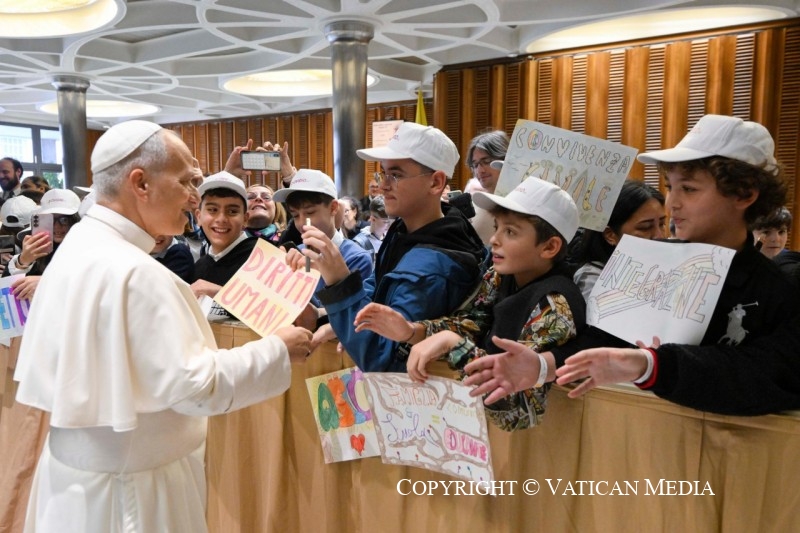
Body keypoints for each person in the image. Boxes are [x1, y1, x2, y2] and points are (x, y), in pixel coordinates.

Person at [13, 120, 312, 532]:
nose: (194, 198)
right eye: (188, 181)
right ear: (141, 183)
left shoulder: (81, 246)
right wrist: (277, 348)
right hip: (132, 492)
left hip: (77, 481)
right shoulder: (134, 270)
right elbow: (194, 387)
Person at [462, 114, 800, 404]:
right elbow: (602, 338)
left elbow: (771, 372)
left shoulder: (780, 288)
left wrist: (651, 365)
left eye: (690, 189)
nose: (673, 205)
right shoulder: (647, 263)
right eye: (671, 187)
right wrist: (543, 366)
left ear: (744, 194)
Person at [354, 177, 585, 431]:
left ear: (550, 246)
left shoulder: (555, 304)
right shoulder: (501, 274)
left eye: (510, 232)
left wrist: (454, 344)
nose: (494, 239)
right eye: (497, 227)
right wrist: (412, 331)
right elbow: (474, 321)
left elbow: (517, 411)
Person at [285, 122, 488, 372]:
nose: (383, 186)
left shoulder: (437, 264)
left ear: (436, 183)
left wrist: (340, 282)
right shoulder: (407, 230)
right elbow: (377, 292)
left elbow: (381, 355)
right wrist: (333, 320)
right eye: (383, 174)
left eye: (396, 175)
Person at [272, 169, 372, 308]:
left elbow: (353, 314)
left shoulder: (356, 258)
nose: (301, 223)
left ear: (333, 208)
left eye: (310, 212)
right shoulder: (297, 253)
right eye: (295, 215)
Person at [568, 179, 666, 300]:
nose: (659, 235)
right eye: (645, 227)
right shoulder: (593, 278)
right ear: (610, 235)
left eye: (662, 224)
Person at [190, 171, 258, 302]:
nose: (221, 219)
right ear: (198, 216)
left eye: (232, 211)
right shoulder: (199, 267)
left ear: (245, 219)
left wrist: (219, 293)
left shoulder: (263, 256)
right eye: (212, 210)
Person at [4, 189, 82, 301]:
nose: (56, 226)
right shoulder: (38, 250)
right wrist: (22, 262)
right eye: (49, 219)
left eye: (64, 219)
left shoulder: (89, 249)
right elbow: (9, 292)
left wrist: (46, 283)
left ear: (75, 220)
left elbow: (93, 284)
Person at [466, 130, 509, 244]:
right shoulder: (472, 198)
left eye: (486, 161)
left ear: (505, 158)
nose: (480, 170)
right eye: (475, 165)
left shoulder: (520, 200)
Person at [351, 195, 392, 263]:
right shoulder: (359, 243)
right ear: (373, 219)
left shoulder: (390, 238)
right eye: (386, 222)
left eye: (390, 221)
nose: (389, 225)